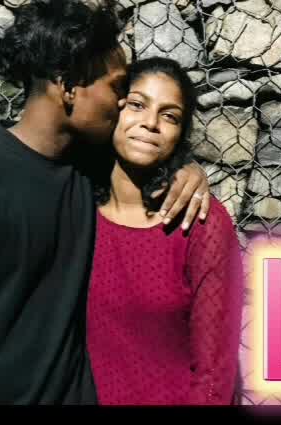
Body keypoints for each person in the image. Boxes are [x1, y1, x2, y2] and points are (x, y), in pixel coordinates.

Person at [0, 0, 211, 405]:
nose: (122, 103)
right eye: (116, 87)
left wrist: (186, 169)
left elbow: (151, 156)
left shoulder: (92, 169)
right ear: (67, 86)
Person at [87, 57, 242, 406]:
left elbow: (215, 374)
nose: (151, 123)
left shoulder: (200, 223)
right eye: (137, 104)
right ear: (113, 109)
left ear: (180, 134)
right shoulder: (74, 206)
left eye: (170, 116)